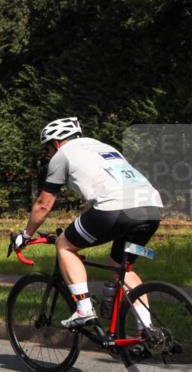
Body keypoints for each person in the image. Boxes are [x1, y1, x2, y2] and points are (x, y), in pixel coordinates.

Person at [13, 117, 163, 329]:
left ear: (56, 143)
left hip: (115, 209)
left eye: (47, 149)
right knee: (120, 268)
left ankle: (83, 309)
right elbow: (92, 203)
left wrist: (26, 235)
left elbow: (43, 204)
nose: (48, 154)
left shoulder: (62, 155)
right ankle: (148, 331)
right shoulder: (103, 147)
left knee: (64, 245)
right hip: (152, 210)